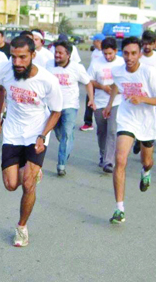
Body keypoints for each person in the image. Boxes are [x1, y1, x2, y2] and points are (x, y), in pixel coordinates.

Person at [0, 35, 63, 247]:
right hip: (12, 132)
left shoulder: (47, 80)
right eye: (13, 57)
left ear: (33, 55)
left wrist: (43, 135)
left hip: (36, 134)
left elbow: (57, 112)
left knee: (28, 184)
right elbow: (0, 90)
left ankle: (21, 227)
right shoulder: (4, 70)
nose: (17, 63)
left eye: (22, 57)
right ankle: (32, 170)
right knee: (11, 184)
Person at [102, 36, 156, 224]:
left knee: (147, 161)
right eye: (126, 53)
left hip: (146, 123)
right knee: (120, 159)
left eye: (133, 53)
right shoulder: (117, 71)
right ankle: (119, 208)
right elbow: (117, 85)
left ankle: (146, 172)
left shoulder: (150, 73)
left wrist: (143, 99)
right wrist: (109, 104)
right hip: (127, 119)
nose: (129, 57)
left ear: (140, 54)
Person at [46, 40, 95, 176]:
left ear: (68, 55)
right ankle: (66, 146)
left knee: (67, 134)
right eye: (56, 52)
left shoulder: (77, 68)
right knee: (59, 134)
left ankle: (61, 164)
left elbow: (88, 83)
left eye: (61, 53)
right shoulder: (49, 65)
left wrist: (91, 99)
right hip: (53, 106)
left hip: (70, 106)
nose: (57, 55)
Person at [88, 37, 124, 172]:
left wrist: (118, 90)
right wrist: (102, 87)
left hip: (117, 102)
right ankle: (103, 155)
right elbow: (89, 81)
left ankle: (109, 161)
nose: (108, 56)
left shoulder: (121, 63)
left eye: (110, 53)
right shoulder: (96, 63)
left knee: (112, 130)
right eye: (105, 54)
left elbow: (126, 81)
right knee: (101, 131)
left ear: (115, 51)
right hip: (100, 102)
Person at [80, 33, 105, 132]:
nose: (93, 43)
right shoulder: (94, 52)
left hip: (101, 82)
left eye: (94, 41)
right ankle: (88, 122)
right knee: (89, 100)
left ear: (98, 41)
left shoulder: (104, 53)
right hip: (92, 81)